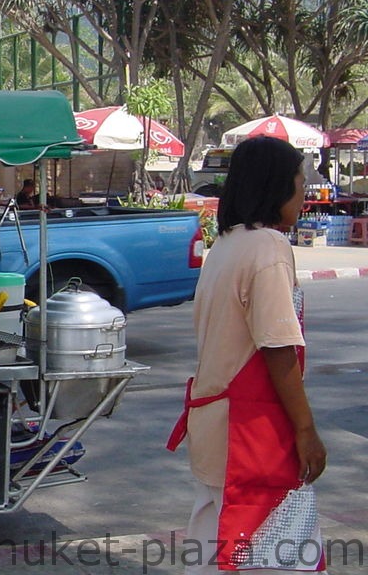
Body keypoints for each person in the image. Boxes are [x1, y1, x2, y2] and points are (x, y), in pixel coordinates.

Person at [167, 136, 328, 573]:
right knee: (274, 549)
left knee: (213, 535)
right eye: (300, 182)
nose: (304, 195)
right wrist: (306, 429)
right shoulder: (268, 248)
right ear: (277, 187)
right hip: (250, 432)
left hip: (215, 423)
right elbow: (277, 348)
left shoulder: (227, 245)